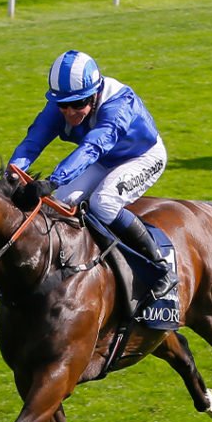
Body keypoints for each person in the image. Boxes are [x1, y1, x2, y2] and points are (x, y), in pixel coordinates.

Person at [10, 49, 177, 299]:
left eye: (78, 104)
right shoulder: (61, 106)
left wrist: (54, 180)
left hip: (142, 157)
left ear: (95, 94)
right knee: (59, 204)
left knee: (104, 203)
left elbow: (93, 147)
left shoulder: (119, 105)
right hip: (103, 160)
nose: (69, 112)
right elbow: (33, 141)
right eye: (63, 105)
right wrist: (12, 173)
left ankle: (160, 267)